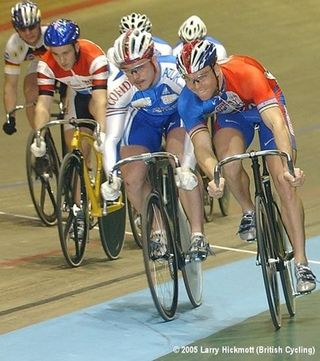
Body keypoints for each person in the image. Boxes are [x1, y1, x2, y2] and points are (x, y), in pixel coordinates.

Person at [176, 39, 316, 293]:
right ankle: (249, 211)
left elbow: (276, 124)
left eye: (202, 77)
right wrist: (213, 175)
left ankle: (301, 263)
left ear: (216, 69)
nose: (196, 86)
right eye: (189, 79)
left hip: (265, 108)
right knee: (228, 167)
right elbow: (202, 147)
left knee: (284, 183)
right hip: (232, 117)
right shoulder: (188, 100)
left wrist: (288, 165)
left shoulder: (246, 72)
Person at [99, 29, 209, 261]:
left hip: (177, 116)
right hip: (143, 121)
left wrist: (187, 166)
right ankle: (157, 230)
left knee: (179, 164)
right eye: (128, 71)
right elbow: (112, 138)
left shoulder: (176, 74)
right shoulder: (120, 89)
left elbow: (195, 120)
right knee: (132, 179)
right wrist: (112, 176)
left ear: (153, 59)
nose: (134, 76)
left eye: (139, 68)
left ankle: (198, 235)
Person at [30, 18, 108, 236]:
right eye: (55, 54)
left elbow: (100, 101)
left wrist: (102, 133)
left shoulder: (94, 58)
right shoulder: (47, 64)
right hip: (79, 96)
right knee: (78, 151)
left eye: (65, 53)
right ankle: (78, 211)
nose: (61, 60)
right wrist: (39, 135)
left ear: (76, 46)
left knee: (103, 136)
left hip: (103, 94)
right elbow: (43, 104)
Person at [2, 1, 46, 135]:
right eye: (22, 29)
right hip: (39, 64)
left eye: (32, 27)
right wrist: (11, 116)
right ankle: (40, 139)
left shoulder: (51, 35)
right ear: (16, 29)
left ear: (39, 23)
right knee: (31, 92)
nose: (28, 33)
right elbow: (10, 86)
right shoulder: (14, 46)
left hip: (61, 64)